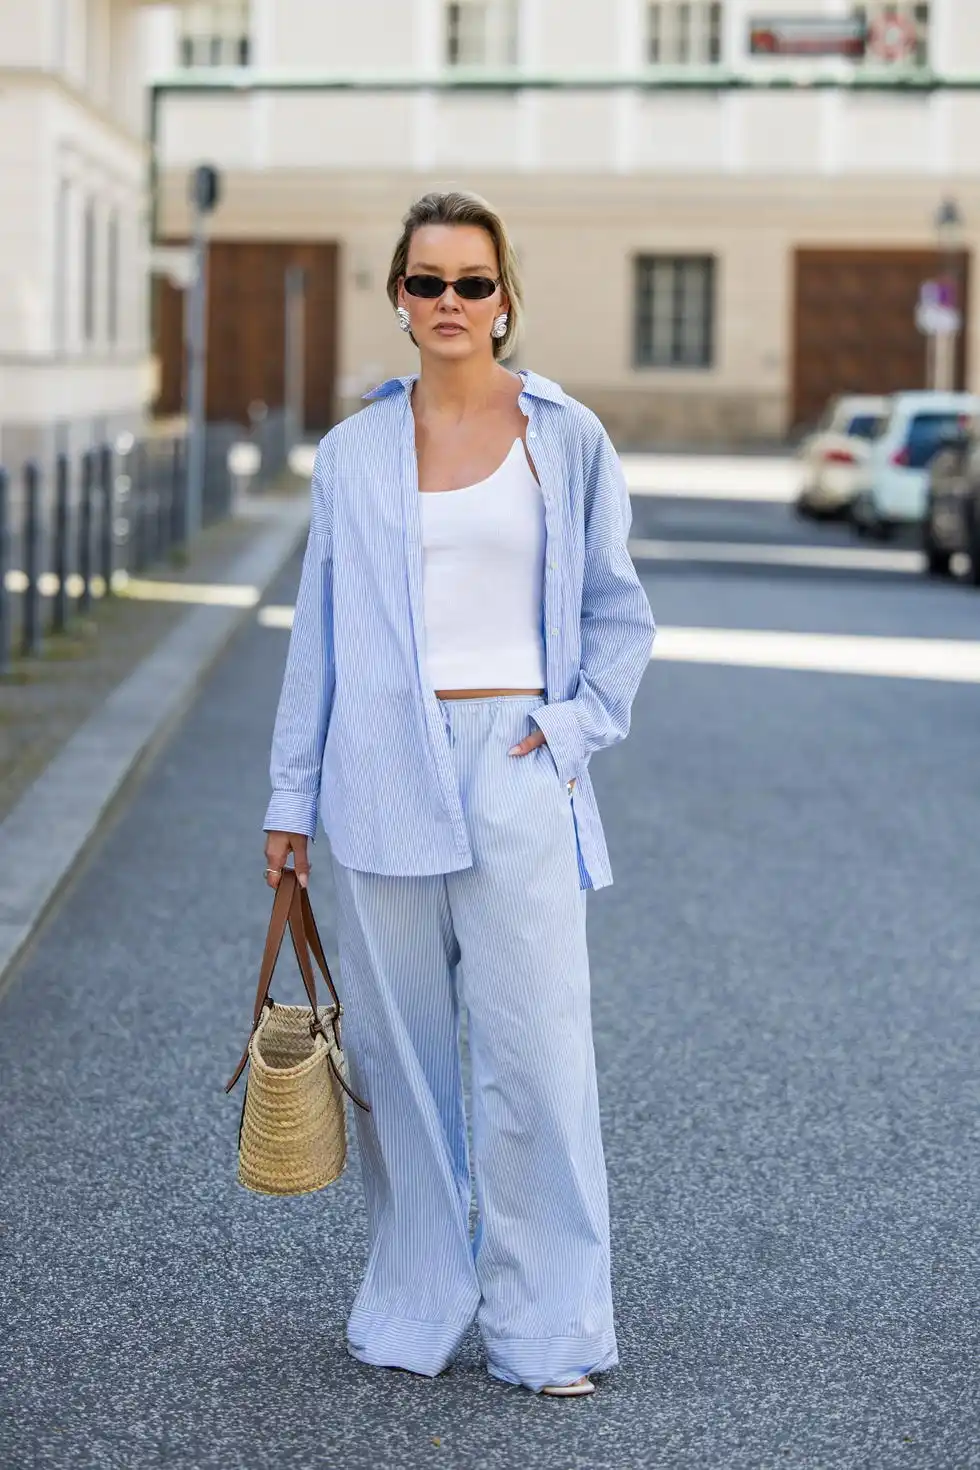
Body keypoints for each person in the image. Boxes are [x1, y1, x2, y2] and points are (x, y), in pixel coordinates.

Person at [262, 190, 655, 1397]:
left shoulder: (564, 435)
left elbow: (615, 609)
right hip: (377, 768)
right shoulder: (351, 452)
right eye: (426, 282)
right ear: (396, 295)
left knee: (537, 1061)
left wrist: (570, 726)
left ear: (504, 298)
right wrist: (288, 804)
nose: (448, 303)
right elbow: (316, 637)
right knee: (398, 1062)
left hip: (519, 759)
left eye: (470, 283)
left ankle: (549, 1333)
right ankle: (418, 1301)